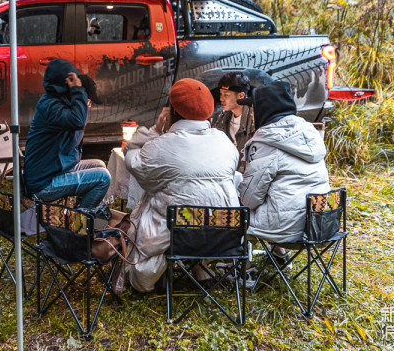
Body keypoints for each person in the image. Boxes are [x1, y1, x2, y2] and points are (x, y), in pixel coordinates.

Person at [123, 78, 241, 292]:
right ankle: (202, 268)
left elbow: (132, 161)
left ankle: (154, 276)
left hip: (178, 235)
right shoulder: (225, 143)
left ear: (172, 112)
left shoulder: (160, 146)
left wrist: (153, 132)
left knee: (151, 203)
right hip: (221, 234)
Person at [238, 80, 330, 244]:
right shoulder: (308, 133)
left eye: (253, 109)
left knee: (232, 212)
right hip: (318, 223)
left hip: (284, 227)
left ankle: (241, 266)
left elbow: (249, 200)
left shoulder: (267, 143)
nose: (251, 114)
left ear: (264, 110)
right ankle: (280, 256)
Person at [23, 59, 110, 209]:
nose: (87, 104)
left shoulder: (59, 104)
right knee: (103, 178)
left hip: (55, 170)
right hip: (44, 183)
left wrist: (79, 101)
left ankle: (77, 210)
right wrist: (78, 93)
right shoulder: (50, 106)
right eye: (86, 100)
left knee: (100, 165)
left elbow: (75, 126)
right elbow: (77, 121)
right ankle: (80, 221)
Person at [212, 71, 255, 172]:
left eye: (226, 95)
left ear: (241, 95)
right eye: (221, 94)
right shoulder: (221, 119)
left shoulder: (254, 121)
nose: (221, 98)